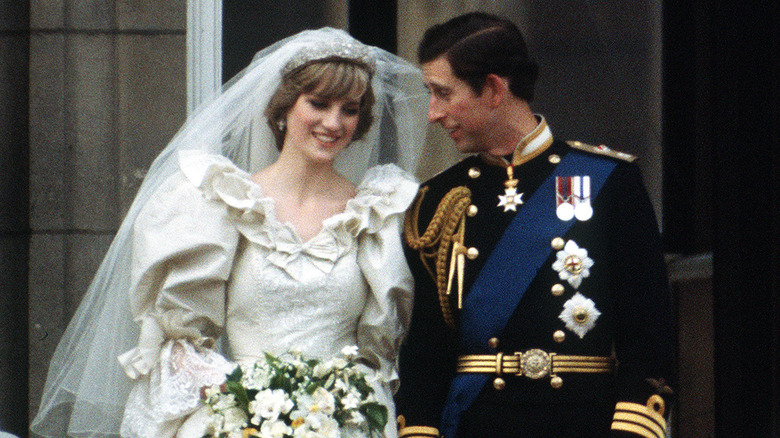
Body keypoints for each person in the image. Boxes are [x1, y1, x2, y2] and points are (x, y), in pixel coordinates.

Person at [31, 28, 428, 438]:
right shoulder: (219, 203)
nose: (334, 122)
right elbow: (180, 342)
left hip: (345, 424)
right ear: (283, 108)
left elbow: (385, 351)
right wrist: (251, 399)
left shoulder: (381, 214)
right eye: (319, 103)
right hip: (239, 421)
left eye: (350, 109)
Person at [395, 12, 675, 438]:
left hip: (584, 425)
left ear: (492, 89)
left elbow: (649, 339)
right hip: (475, 425)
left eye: (442, 93)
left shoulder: (607, 181)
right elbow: (425, 357)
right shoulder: (437, 201)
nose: (433, 113)